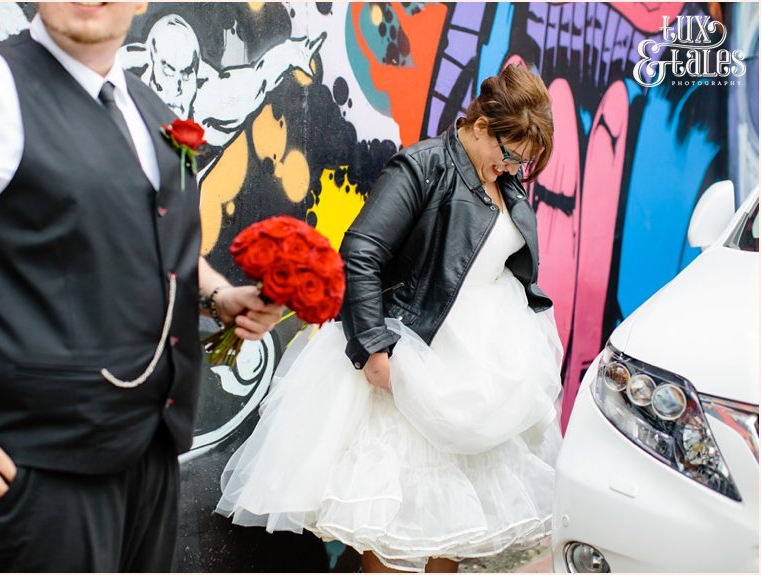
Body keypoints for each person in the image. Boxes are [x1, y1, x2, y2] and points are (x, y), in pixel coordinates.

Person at [0, 3, 281, 572]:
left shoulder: (148, 107)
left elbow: (154, 237)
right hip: (27, 462)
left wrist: (219, 298)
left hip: (147, 453)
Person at [215, 64, 562, 573]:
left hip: (474, 373)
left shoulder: (502, 179)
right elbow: (360, 251)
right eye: (510, 155)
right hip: (410, 359)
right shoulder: (422, 166)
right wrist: (374, 347)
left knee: (454, 527)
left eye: (524, 163)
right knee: (389, 528)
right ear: (482, 125)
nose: (513, 169)